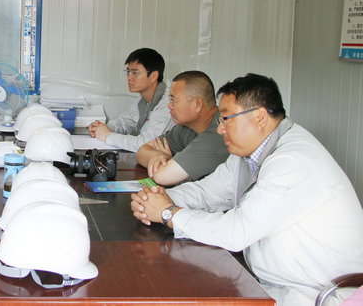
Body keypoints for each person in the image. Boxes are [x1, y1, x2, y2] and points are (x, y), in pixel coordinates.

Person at [130, 73, 363, 305]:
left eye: (226, 119)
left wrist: (167, 213)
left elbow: (236, 232)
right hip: (267, 280)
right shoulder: (250, 149)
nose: (220, 129)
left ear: (260, 117)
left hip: (313, 293)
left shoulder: (293, 161)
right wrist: (157, 198)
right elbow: (211, 191)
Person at [135, 71, 228, 186]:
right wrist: (158, 156)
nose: (169, 106)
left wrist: (167, 162)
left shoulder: (218, 133)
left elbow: (162, 176)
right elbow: (141, 152)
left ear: (198, 104)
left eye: (174, 100)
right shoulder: (186, 127)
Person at [89, 48, 172, 152]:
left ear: (154, 75)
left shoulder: (167, 104)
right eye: (128, 72)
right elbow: (123, 123)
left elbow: (148, 144)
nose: (129, 77)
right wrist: (100, 128)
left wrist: (107, 136)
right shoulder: (142, 100)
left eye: (135, 73)